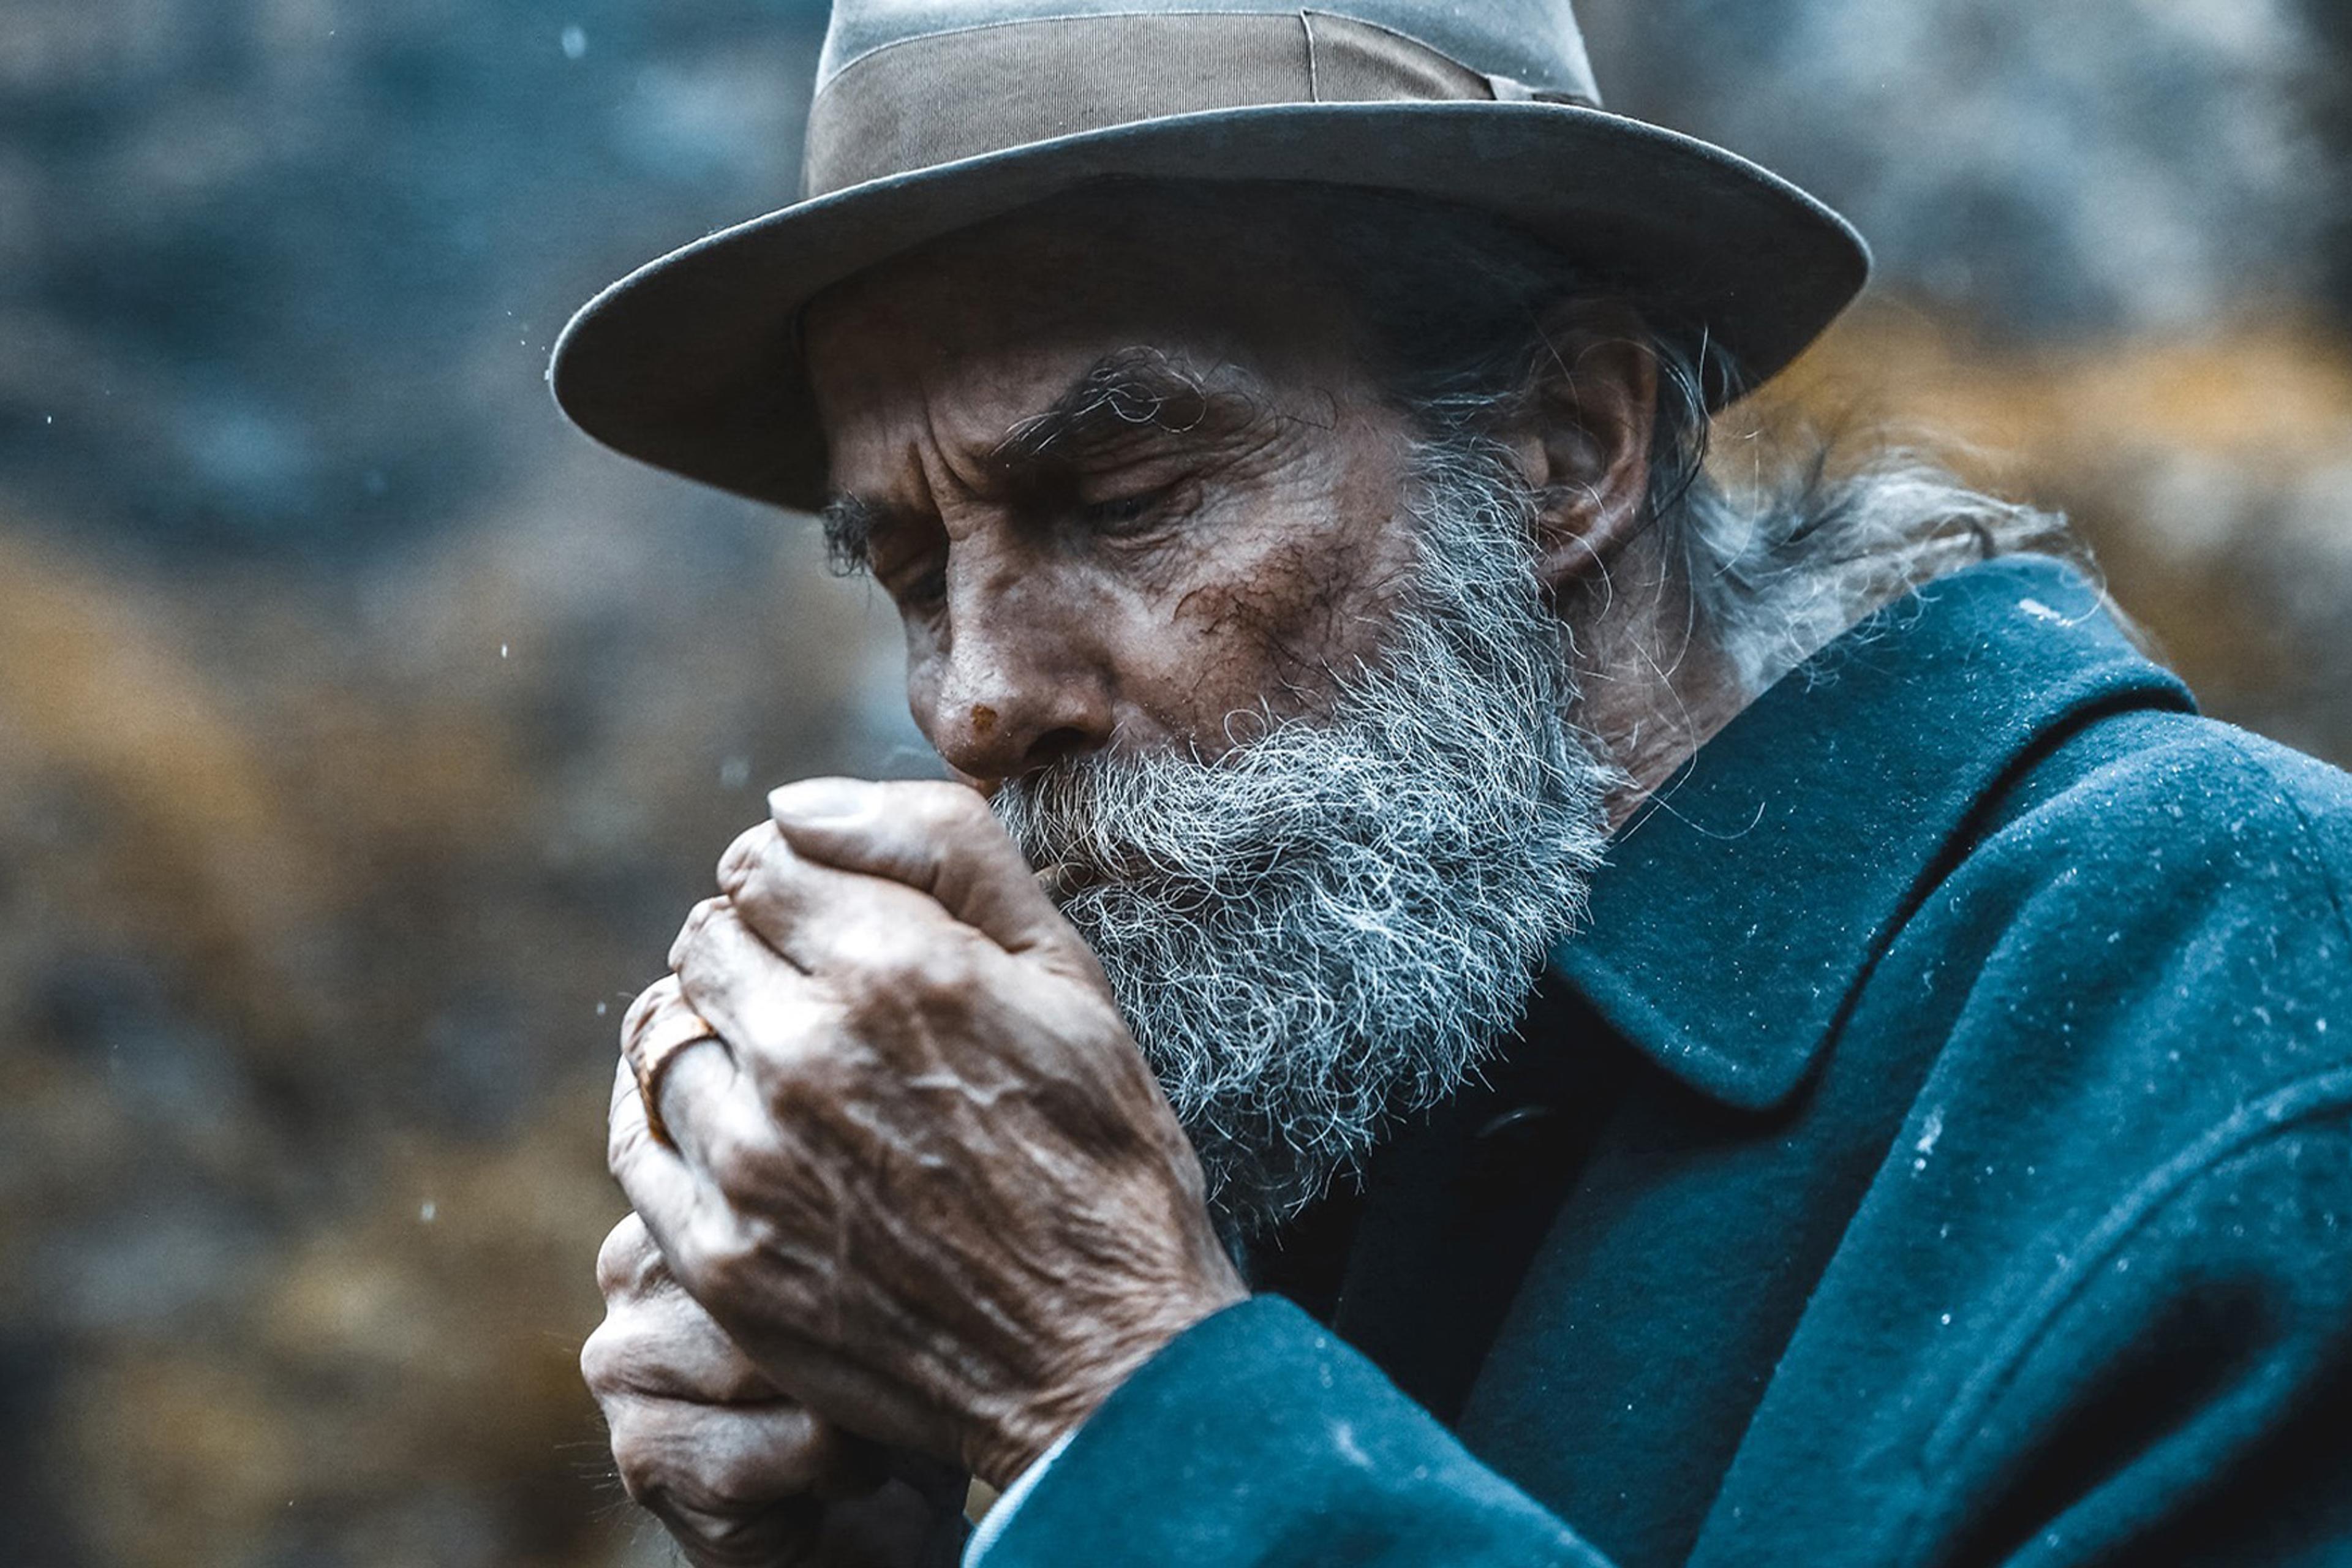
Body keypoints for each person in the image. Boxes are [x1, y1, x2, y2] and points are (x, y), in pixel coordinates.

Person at [553, 2, 2352, 1563]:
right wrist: (934, 1536)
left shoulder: (2232, 989)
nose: (977, 697)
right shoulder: (1323, 1064)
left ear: (1567, 450)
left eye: (1123, 502)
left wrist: (1114, 1396)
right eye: (915, 572)